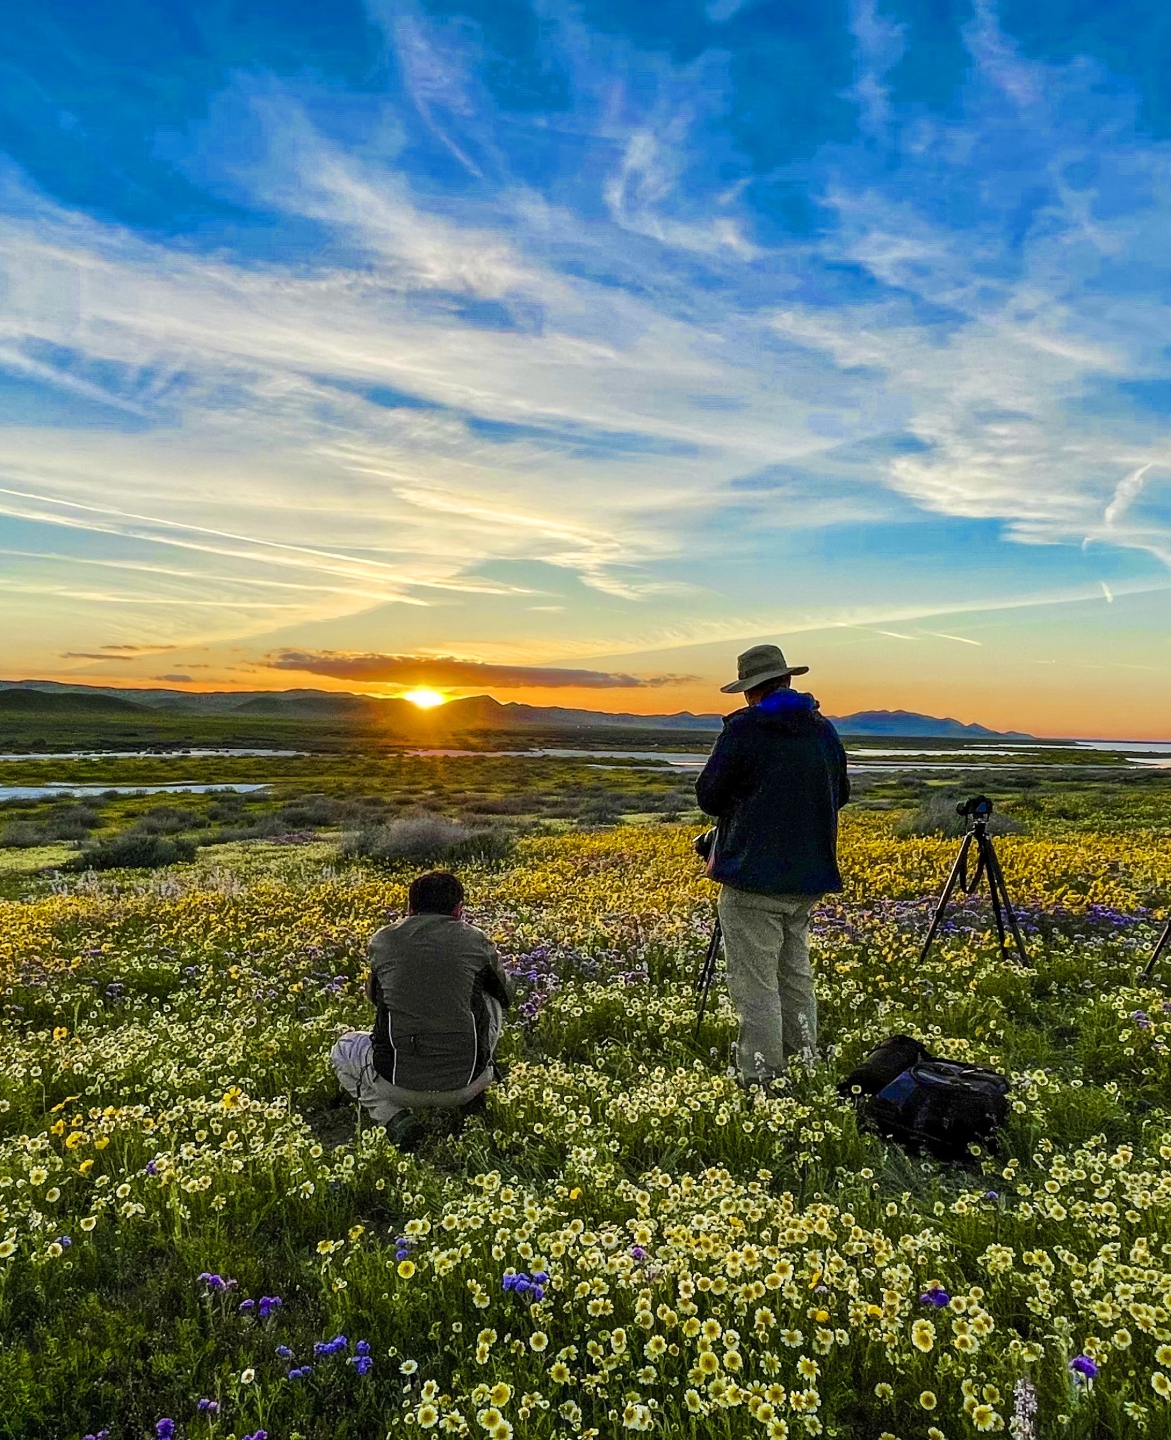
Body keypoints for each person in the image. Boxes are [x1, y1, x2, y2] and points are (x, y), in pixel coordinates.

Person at [695, 643, 849, 1085]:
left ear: (749, 691)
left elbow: (709, 797)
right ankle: (804, 1063)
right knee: (794, 973)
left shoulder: (745, 730)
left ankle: (761, 1077)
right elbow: (840, 795)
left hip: (752, 879)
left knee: (756, 985)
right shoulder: (823, 730)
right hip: (807, 877)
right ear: (787, 680)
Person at [329, 869, 513, 1149]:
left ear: (409, 907)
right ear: (458, 910)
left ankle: (392, 1117)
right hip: (468, 1081)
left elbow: (374, 997)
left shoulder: (383, 940)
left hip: (396, 1084)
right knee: (492, 1002)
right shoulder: (476, 940)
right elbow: (506, 994)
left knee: (343, 1049)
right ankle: (477, 1087)